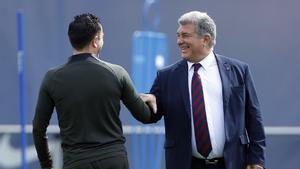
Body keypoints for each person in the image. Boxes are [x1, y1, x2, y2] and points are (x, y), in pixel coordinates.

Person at [141, 11, 266, 169]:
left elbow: (254, 118)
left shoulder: (238, 71)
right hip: (186, 164)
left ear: (205, 39)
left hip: (233, 163)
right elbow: (151, 115)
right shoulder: (166, 76)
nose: (179, 41)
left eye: (185, 35)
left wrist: (257, 160)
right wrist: (143, 101)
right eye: (178, 35)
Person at [32, 13, 155, 169]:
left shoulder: (52, 78)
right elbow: (145, 116)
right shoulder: (117, 73)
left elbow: (38, 128)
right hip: (114, 160)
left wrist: (46, 164)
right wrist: (152, 99)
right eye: (102, 37)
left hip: (76, 162)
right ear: (95, 41)